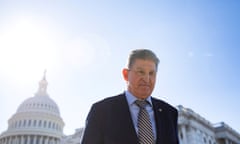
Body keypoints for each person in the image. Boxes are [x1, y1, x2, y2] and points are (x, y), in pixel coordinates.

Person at [80, 49, 179, 144]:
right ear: (126, 74)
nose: (147, 79)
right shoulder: (101, 111)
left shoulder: (170, 113)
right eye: (141, 72)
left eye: (151, 73)